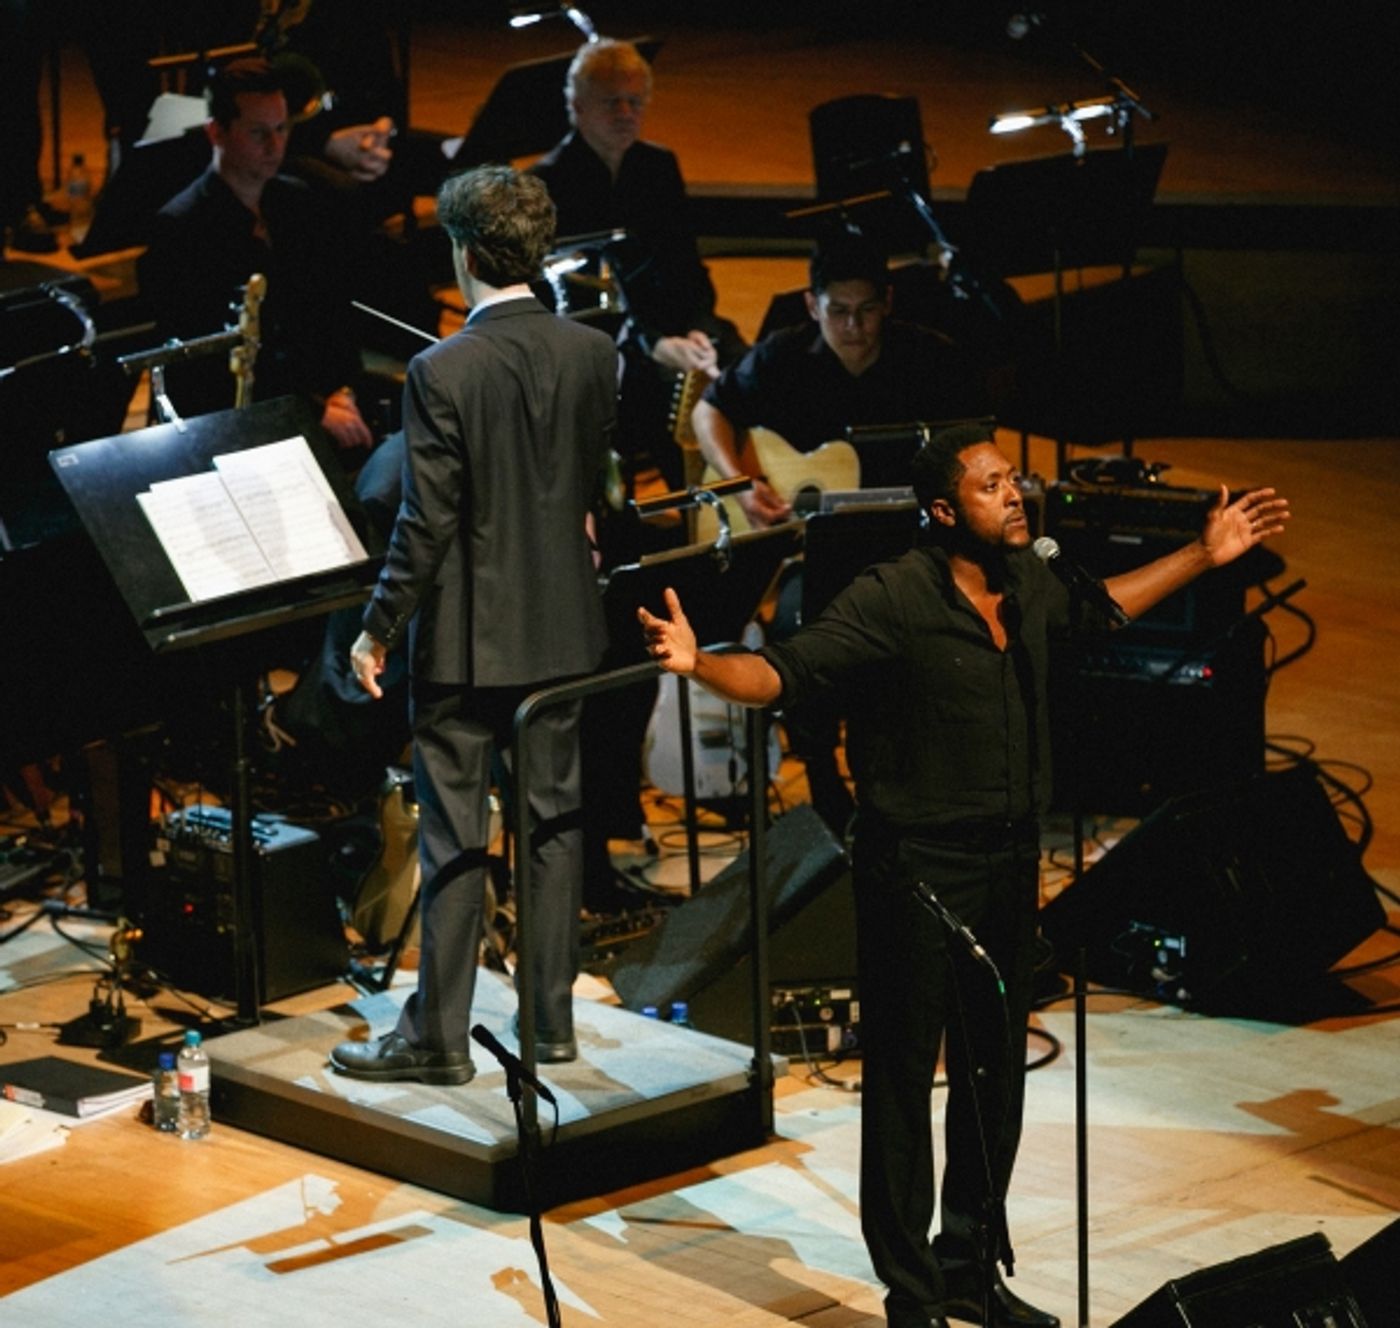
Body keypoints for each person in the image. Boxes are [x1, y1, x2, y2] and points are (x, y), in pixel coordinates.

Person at [639, 422, 1289, 1328]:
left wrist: (1203, 554)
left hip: (1009, 858)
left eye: (1012, 478)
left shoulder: (1030, 582)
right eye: (991, 485)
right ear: (945, 509)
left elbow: (1101, 607)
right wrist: (700, 662)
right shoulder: (892, 598)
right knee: (905, 1082)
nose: (1015, 492)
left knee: (996, 1078)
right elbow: (784, 674)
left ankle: (969, 1270)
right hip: (914, 868)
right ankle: (911, 1295)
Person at [329, 165, 617, 1083]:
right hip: (567, 635)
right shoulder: (592, 353)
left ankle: (437, 1040)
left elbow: (427, 521)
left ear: (462, 253)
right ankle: (551, 1026)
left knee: (458, 839)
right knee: (554, 830)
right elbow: (583, 491)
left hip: (464, 645)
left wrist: (375, 628)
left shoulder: (440, 369)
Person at [694, 233, 990, 835]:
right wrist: (741, 482)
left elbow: (978, 449)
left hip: (904, 548)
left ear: (887, 302)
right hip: (815, 552)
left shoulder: (930, 359)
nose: (854, 326)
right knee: (801, 628)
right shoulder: (782, 356)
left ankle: (904, 787)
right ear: (812, 305)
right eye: (838, 312)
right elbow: (710, 410)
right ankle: (823, 777)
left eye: (868, 311)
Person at [531, 37, 745, 491]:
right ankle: (692, 507)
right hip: (601, 340)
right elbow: (577, 301)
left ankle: (744, 498)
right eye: (612, 103)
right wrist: (655, 344)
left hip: (673, 328)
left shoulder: (659, 167)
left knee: (742, 368)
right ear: (578, 106)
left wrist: (700, 329)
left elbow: (688, 266)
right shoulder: (546, 184)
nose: (626, 114)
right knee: (660, 388)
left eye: (635, 102)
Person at [137, 57, 373, 453]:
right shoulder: (181, 230)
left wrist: (341, 390)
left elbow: (329, 311)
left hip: (310, 397)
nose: (275, 146)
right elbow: (205, 370)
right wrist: (315, 411)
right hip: (231, 420)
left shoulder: (299, 202)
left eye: (282, 129)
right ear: (217, 133)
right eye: (258, 133)